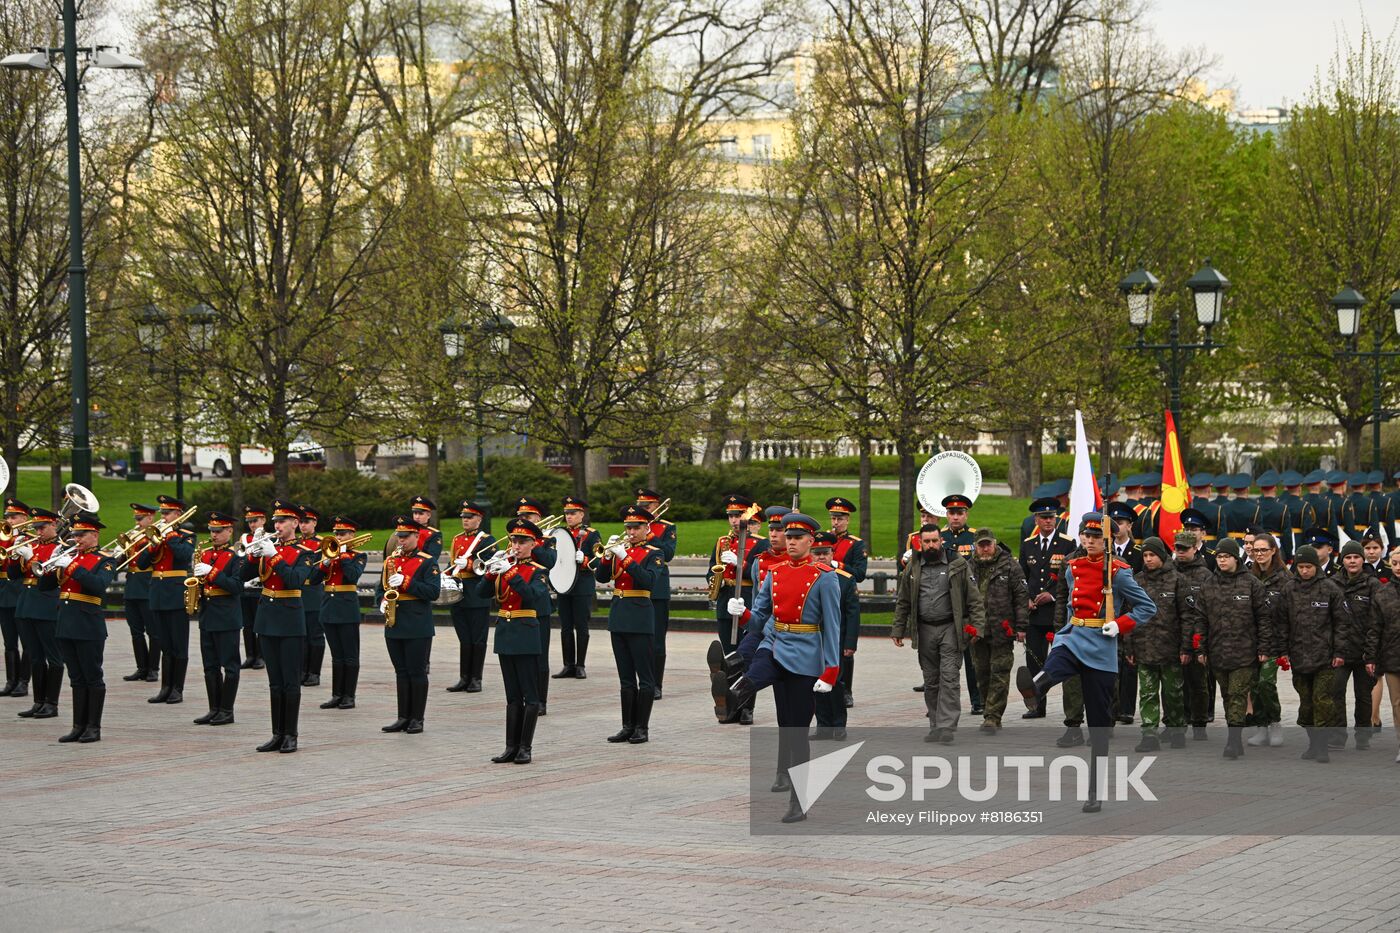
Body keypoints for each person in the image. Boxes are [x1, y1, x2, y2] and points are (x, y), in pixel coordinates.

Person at [1015, 512, 1157, 813]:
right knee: (1056, 664)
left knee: (1099, 723)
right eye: (1086, 535)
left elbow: (1147, 607)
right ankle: (1035, 690)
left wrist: (1120, 624)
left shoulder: (1118, 572)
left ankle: (1095, 790)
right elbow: (1069, 604)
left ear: (1106, 540)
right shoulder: (1072, 567)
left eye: (1096, 537)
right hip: (1075, 634)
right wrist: (1066, 629)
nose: (1089, 541)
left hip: (1103, 646)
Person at [719, 512, 843, 823]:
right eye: (788, 537)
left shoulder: (824, 577)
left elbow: (833, 626)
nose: (790, 542)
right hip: (775, 644)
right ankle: (729, 697)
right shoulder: (774, 573)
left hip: (805, 655)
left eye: (797, 537)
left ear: (810, 542)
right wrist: (744, 612)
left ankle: (798, 802)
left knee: (795, 730)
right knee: (756, 673)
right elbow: (761, 619)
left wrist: (831, 671)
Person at [891, 523, 985, 744]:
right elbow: (903, 601)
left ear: (941, 541)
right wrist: (897, 629)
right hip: (924, 630)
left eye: (935, 541)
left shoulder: (957, 564)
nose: (931, 545)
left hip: (950, 629)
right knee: (931, 680)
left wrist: (978, 627)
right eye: (927, 542)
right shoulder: (913, 567)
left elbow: (974, 599)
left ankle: (946, 726)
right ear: (920, 543)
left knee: (950, 677)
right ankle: (935, 724)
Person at [477, 518, 551, 764]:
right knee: (512, 696)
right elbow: (479, 594)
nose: (516, 546)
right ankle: (510, 746)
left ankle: (525, 747)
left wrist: (510, 573)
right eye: (514, 541)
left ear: (534, 544)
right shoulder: (504, 567)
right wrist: (490, 574)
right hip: (506, 634)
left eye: (522, 542)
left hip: (526, 633)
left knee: (530, 695)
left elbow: (533, 598)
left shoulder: (538, 571)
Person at [240, 500, 312, 753]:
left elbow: (295, 580)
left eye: (283, 521)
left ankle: (290, 734)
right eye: (275, 522)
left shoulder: (304, 552)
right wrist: (253, 554)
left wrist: (275, 556)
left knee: (290, 681)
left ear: (295, 523)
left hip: (290, 619)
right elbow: (242, 575)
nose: (278, 525)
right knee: (274, 682)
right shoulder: (268, 547)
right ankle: (276, 733)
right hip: (267, 617)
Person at [595, 506, 665, 744]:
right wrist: (607, 556)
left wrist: (625, 557)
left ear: (647, 528)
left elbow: (649, 581)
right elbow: (602, 577)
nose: (632, 532)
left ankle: (642, 727)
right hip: (619, 616)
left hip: (640, 616)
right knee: (625, 678)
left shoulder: (654, 554)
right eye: (629, 527)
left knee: (645, 677)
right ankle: (627, 726)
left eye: (636, 527)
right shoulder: (619, 551)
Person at [1199, 539, 1272, 759]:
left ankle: (1232, 741)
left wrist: (1264, 647)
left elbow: (1264, 619)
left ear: (1235, 558)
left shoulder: (1251, 584)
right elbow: (1200, 619)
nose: (1222, 560)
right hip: (1218, 652)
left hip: (1244, 652)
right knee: (1228, 696)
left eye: (1226, 556)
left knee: (1238, 694)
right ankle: (1236, 739)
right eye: (1219, 557)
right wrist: (1200, 648)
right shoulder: (1209, 584)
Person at [1280, 545, 1351, 762]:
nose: (1304, 571)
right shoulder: (1289, 589)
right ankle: (1312, 743)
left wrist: (1339, 651)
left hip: (1325, 659)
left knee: (1323, 701)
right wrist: (1283, 651)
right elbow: (1281, 623)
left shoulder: (1330, 589)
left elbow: (1342, 623)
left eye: (1308, 567)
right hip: (1299, 657)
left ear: (1316, 566)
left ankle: (1322, 747)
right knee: (1306, 704)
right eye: (1300, 567)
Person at [48, 514, 114, 743]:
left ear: (94, 535)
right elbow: (44, 587)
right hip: (65, 622)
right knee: (76, 677)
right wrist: (52, 564)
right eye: (74, 534)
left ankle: (93, 727)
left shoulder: (105, 559)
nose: (76, 538)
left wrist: (73, 567)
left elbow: (98, 587)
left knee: (92, 676)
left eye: (81, 534)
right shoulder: (70, 556)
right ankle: (78, 726)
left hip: (88, 625)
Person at [1125, 537, 1193, 751]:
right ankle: (1149, 734)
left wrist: (1186, 647)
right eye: (1145, 556)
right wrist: (1129, 646)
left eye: (1152, 555)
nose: (1148, 559)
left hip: (1170, 648)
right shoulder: (1136, 581)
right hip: (1144, 648)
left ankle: (1176, 729)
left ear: (1161, 556)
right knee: (1147, 693)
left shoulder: (1177, 580)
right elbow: (1129, 615)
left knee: (1173, 693)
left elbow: (1187, 617)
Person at [377, 515, 442, 734]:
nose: (401, 541)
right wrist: (382, 601)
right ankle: (403, 716)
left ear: (417, 535)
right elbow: (380, 588)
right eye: (399, 537)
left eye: (405, 537)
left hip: (416, 623)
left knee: (416, 671)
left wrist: (406, 582)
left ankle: (417, 718)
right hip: (394, 622)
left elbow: (432, 593)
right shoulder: (391, 560)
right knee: (401, 672)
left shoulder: (427, 561)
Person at [1018, 496, 1075, 719]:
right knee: (1034, 661)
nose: (1048, 521)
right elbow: (1022, 577)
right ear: (1036, 520)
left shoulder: (1067, 543)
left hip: (1055, 612)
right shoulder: (1028, 544)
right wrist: (1027, 598)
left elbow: (1069, 579)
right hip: (1034, 613)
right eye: (1044, 518)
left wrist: (1051, 595)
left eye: (1051, 517)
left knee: (1061, 660)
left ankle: (1069, 710)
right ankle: (1037, 706)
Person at [966, 528, 1027, 734]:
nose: (985, 548)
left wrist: (1021, 627)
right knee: (981, 672)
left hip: (1002, 628)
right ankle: (987, 708)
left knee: (999, 672)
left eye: (988, 544)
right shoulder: (968, 566)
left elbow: (1021, 597)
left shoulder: (1010, 565)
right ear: (975, 546)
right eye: (981, 545)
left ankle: (993, 716)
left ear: (994, 544)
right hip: (977, 630)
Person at [136, 495, 195, 705]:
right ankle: (165, 688)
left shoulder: (186, 535)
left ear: (178, 514)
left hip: (176, 594)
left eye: (168, 513)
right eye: (162, 513)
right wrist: (152, 545)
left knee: (179, 644)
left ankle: (177, 688)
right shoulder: (156, 536)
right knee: (164, 644)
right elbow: (142, 564)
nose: (164, 516)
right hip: (158, 594)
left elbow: (184, 556)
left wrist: (170, 538)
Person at [190, 512, 246, 726]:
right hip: (207, 614)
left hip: (227, 616)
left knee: (230, 666)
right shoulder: (203, 554)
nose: (213, 535)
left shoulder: (236, 557)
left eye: (218, 531)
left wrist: (212, 573)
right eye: (211, 530)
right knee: (210, 666)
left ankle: (227, 710)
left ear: (229, 531)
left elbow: (236, 587)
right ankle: (214, 708)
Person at [14, 508, 64, 719]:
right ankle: (38, 702)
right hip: (26, 605)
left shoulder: (60, 549)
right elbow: (13, 575)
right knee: (34, 656)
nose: (39, 531)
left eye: (43, 527)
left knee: (53, 657)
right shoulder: (31, 545)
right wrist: (19, 558)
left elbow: (49, 580)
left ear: (54, 526)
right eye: (37, 528)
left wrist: (32, 559)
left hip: (46, 605)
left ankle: (51, 703)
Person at [811, 531, 859, 741]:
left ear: (832, 553)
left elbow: (852, 614)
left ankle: (839, 725)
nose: (821, 557)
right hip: (812, 639)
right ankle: (823, 725)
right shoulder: (806, 577)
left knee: (836, 683)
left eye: (825, 553)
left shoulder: (845, 580)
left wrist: (850, 643)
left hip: (836, 639)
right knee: (816, 682)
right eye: (817, 553)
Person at [1333, 540, 1381, 750]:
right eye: (1348, 557)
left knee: (1363, 697)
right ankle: (1337, 736)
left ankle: (1363, 736)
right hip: (1339, 651)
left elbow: (1376, 622)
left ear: (1362, 559)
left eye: (1356, 557)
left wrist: (1371, 655)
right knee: (1336, 693)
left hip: (1363, 652)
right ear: (1342, 560)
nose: (1352, 561)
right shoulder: (1331, 583)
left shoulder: (1373, 585)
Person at [708, 495, 767, 656]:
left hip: (746, 600)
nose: (734, 520)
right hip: (725, 599)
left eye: (737, 515)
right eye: (730, 516)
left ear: (747, 514)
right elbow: (712, 568)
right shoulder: (722, 541)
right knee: (728, 650)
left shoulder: (761, 543)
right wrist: (715, 581)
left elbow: (762, 574)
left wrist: (741, 564)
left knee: (746, 650)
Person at [319, 516, 368, 710]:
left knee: (350, 655)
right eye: (336, 533)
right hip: (328, 607)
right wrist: (324, 563)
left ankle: (349, 696)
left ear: (352, 535)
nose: (338, 537)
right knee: (336, 656)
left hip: (347, 608)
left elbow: (353, 576)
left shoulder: (358, 556)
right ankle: (336, 694)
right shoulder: (328, 554)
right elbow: (313, 579)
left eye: (342, 534)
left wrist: (345, 557)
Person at [1247, 533, 1291, 747]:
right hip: (1251, 640)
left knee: (1266, 683)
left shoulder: (1285, 579)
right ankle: (1261, 726)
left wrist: (1286, 647)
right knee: (1253, 685)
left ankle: (1275, 722)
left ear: (1273, 550)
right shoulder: (1248, 575)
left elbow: (1289, 614)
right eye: (1256, 550)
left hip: (1274, 641)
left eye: (1264, 550)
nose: (1260, 554)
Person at [446, 501, 494, 693]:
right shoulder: (457, 539)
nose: (465, 521)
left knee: (477, 638)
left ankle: (476, 678)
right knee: (464, 638)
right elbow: (452, 565)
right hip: (459, 593)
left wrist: (469, 564)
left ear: (479, 519)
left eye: (470, 517)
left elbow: (488, 568)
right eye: (464, 517)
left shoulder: (487, 540)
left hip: (477, 593)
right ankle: (464, 677)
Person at [1173, 526, 1215, 739]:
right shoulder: (1170, 571)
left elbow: (1209, 608)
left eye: (1184, 548)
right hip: (1173, 635)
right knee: (1175, 684)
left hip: (1197, 634)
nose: (1180, 552)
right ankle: (1177, 722)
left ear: (1194, 549)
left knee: (1198, 683)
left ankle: (1200, 722)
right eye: (1177, 548)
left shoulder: (1205, 574)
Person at [635, 488, 676, 700]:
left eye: (647, 506)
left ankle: (656, 684)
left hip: (657, 589)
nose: (643, 509)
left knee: (657, 639)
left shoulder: (666, 528)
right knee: (640, 640)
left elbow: (668, 554)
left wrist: (651, 535)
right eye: (641, 506)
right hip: (636, 590)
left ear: (657, 506)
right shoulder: (633, 526)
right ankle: (643, 681)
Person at [553, 495, 600, 680]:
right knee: (565, 626)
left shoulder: (591, 534)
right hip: (564, 584)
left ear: (582, 514)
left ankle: (580, 665)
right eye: (566, 513)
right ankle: (568, 664)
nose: (569, 516)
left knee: (581, 625)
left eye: (573, 513)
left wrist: (585, 560)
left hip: (582, 584)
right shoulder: (561, 534)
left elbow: (599, 561)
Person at [827, 497, 867, 710]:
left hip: (844, 594)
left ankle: (846, 690)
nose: (836, 522)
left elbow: (860, 574)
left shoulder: (855, 544)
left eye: (840, 518)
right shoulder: (823, 539)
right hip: (824, 593)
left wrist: (839, 564)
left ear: (847, 519)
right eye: (833, 517)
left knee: (845, 649)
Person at [119, 503, 159, 683]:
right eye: (136, 518)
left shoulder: (155, 536)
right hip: (132, 586)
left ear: (150, 518)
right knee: (136, 631)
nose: (137, 522)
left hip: (147, 585)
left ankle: (153, 668)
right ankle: (141, 667)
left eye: (140, 518)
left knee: (153, 631)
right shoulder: (133, 535)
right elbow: (122, 562)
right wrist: (121, 552)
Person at [1, 498, 32, 699]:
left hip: (21, 591)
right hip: (3, 592)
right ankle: (11, 681)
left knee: (27, 640)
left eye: (14, 516)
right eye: (8, 517)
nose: (10, 520)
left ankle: (23, 682)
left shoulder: (29, 538)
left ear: (24, 518)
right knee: (9, 641)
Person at [1371, 556, 1400, 761]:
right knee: (1397, 703)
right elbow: (1375, 628)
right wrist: (1371, 656)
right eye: (1395, 563)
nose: (1398, 567)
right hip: (1392, 656)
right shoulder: (1383, 592)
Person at [296, 505, 326, 687]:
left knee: (314, 634)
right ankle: (301, 670)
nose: (303, 525)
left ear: (314, 522)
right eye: (300, 522)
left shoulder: (321, 543)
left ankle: (314, 672)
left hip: (313, 592)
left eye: (306, 522)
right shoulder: (296, 542)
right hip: (297, 592)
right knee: (301, 635)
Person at [237, 506, 266, 670]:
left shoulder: (269, 537)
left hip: (260, 585)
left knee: (259, 623)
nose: (252, 525)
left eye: (255, 521)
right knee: (247, 624)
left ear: (263, 520)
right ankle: (250, 655)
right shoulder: (244, 537)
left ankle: (261, 656)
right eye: (249, 522)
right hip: (246, 585)